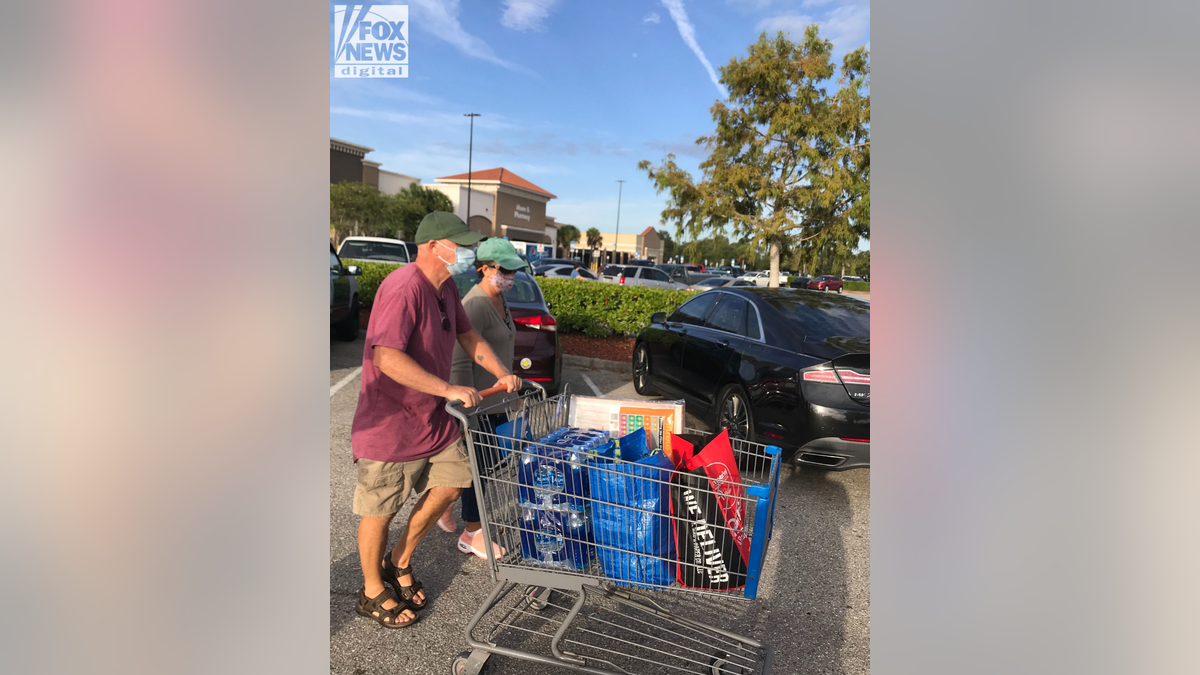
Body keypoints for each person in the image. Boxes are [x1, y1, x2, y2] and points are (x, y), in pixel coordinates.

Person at [349, 211, 521, 629]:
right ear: (432, 246)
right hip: (392, 423)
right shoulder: (404, 287)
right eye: (459, 245)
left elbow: (469, 337)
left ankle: (398, 560)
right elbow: (385, 356)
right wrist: (449, 389)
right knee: (381, 509)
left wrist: (500, 372)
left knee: (453, 482)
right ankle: (372, 590)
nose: (466, 253)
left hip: (433, 420)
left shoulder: (446, 288)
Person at [437, 238, 526, 558]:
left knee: (486, 465)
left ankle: (443, 504)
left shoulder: (500, 300)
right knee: (479, 467)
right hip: (478, 404)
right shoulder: (475, 304)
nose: (510, 276)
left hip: (496, 401)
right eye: (504, 270)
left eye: (513, 270)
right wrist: (464, 409)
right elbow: (461, 358)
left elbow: (499, 350)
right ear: (484, 269)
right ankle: (471, 532)